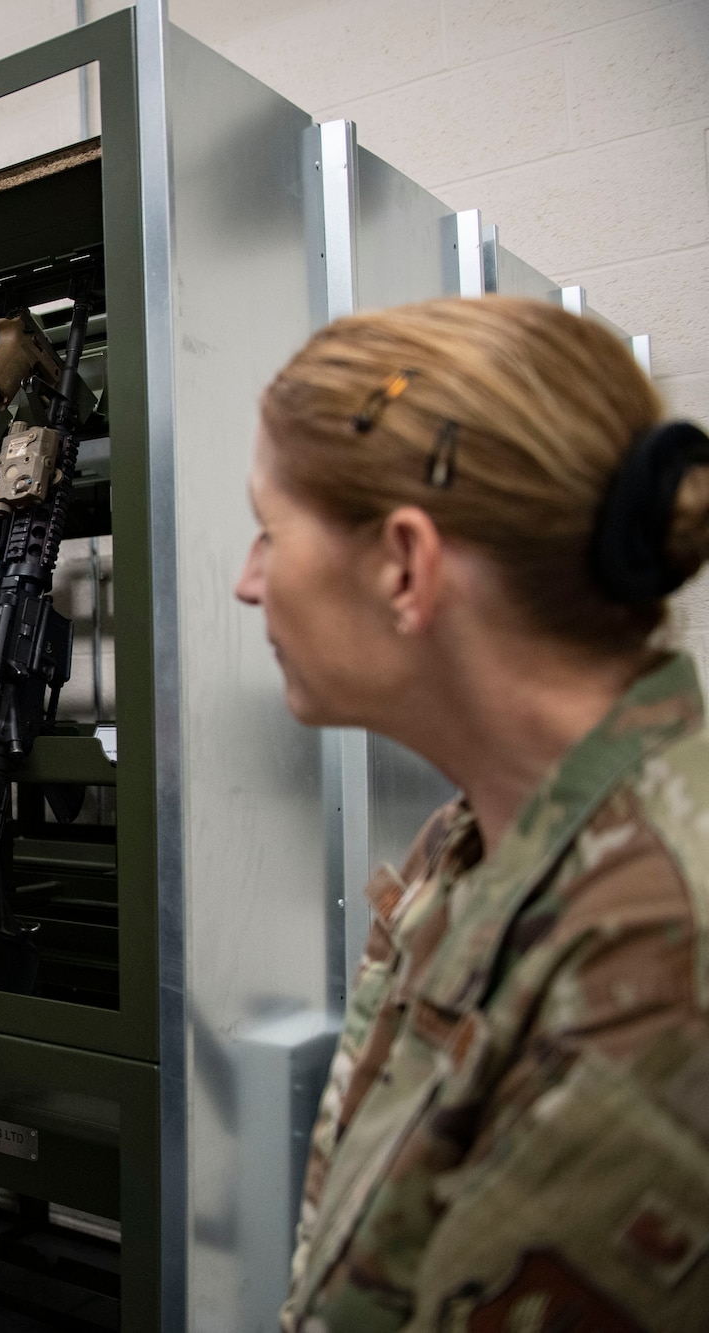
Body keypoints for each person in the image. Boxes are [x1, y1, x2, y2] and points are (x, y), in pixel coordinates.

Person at [238, 295, 709, 1332]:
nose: (245, 582)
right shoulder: (473, 844)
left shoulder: (654, 959)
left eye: (267, 533)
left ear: (403, 565)